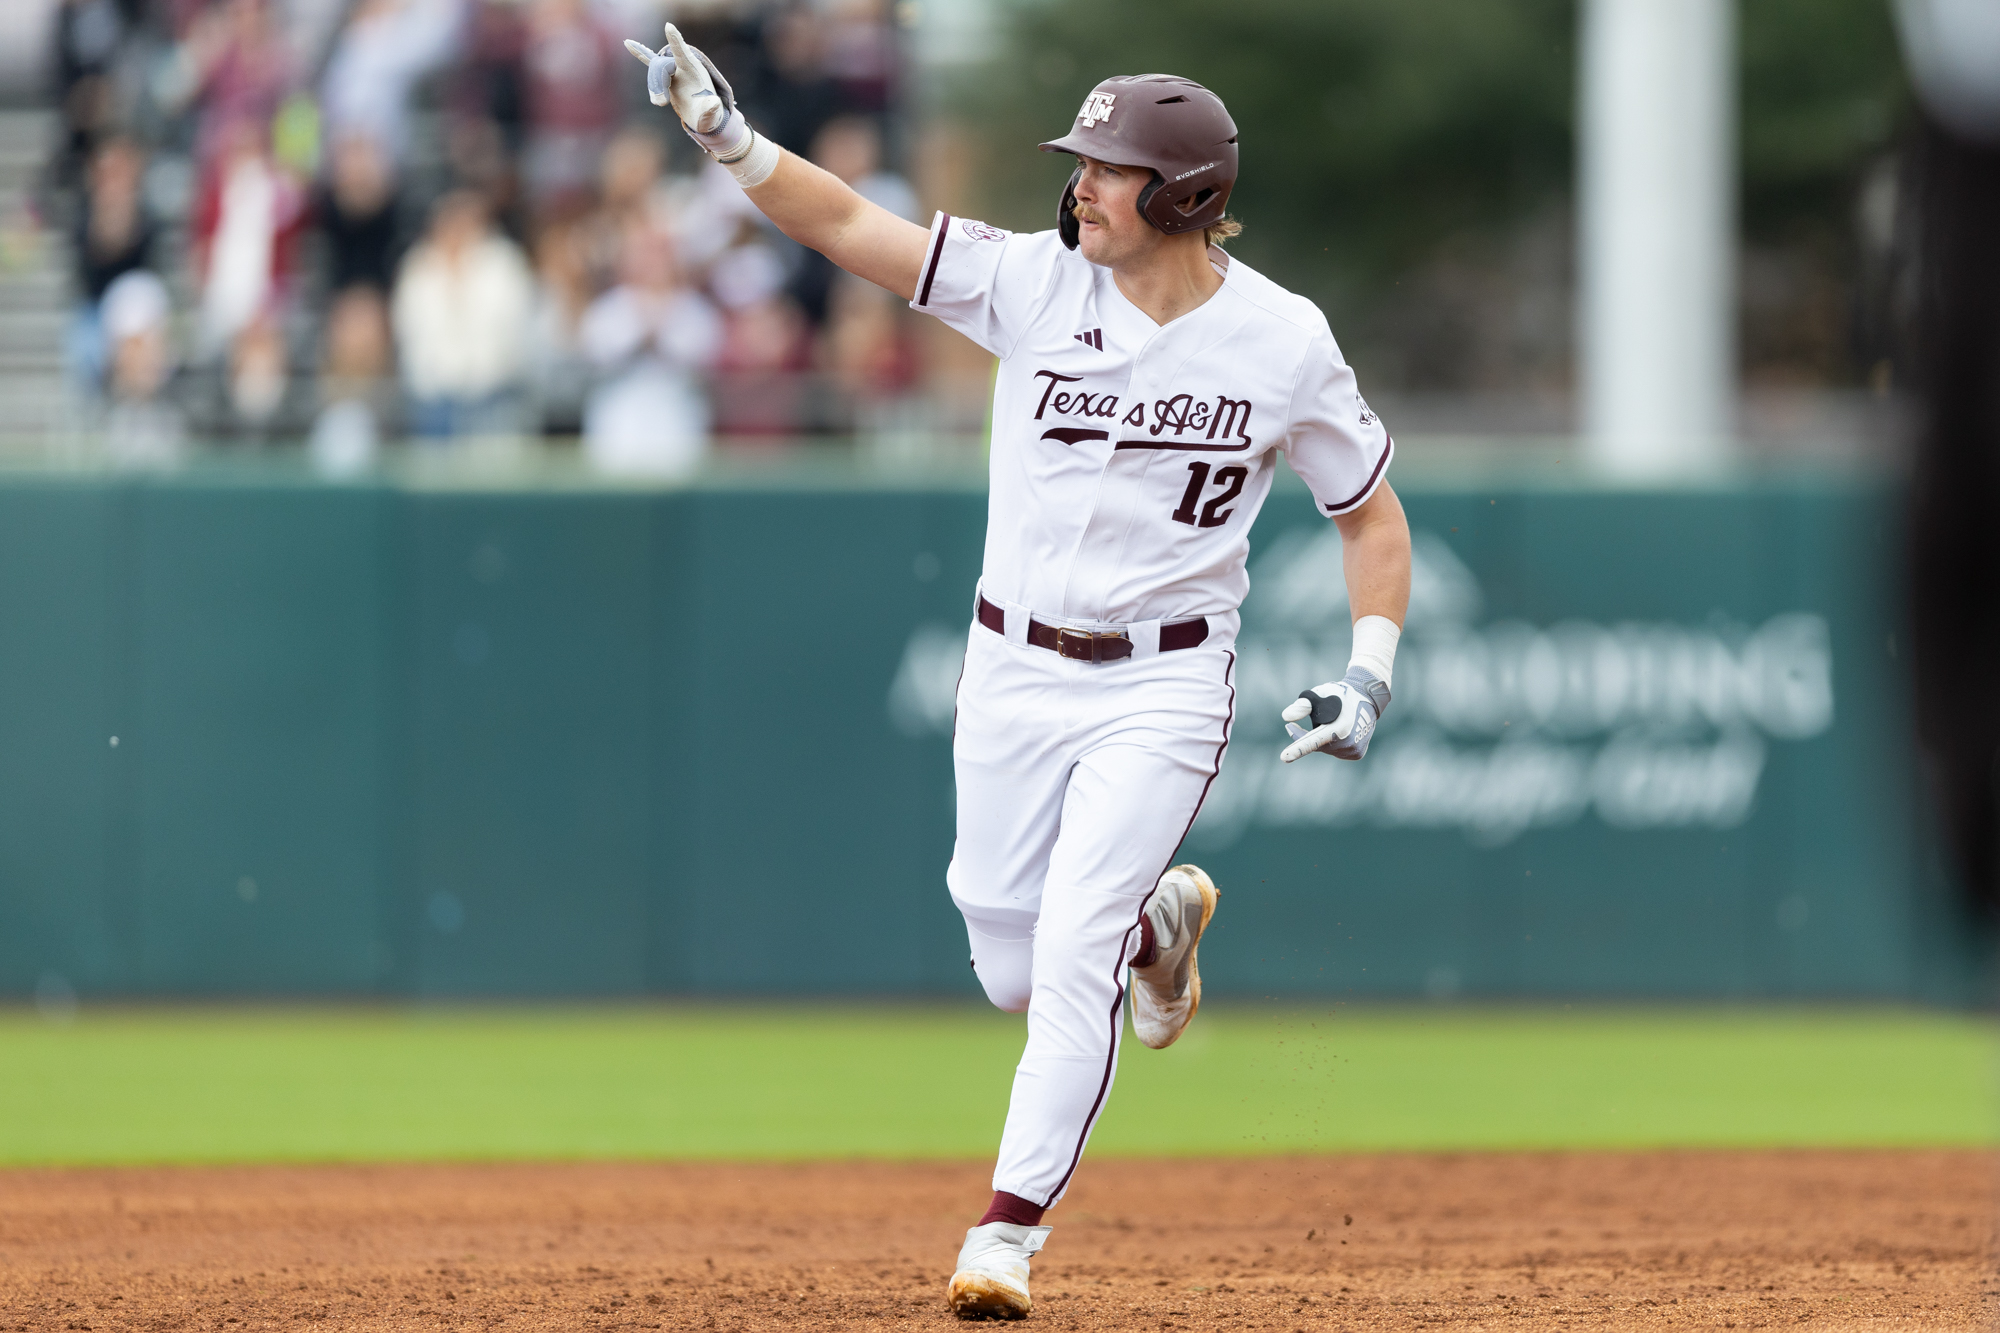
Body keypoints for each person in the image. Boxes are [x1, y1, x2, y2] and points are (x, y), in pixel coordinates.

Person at [631, 33, 1413, 1319]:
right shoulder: (1033, 284)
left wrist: (1365, 673)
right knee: (1010, 960)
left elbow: (1368, 516)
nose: (1081, 187)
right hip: (1010, 664)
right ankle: (1161, 926)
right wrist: (728, 135)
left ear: (1184, 196)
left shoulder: (1282, 340)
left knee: (1064, 961)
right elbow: (845, 225)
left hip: (1164, 684)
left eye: (1109, 168)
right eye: (1082, 163)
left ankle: (1004, 1235)